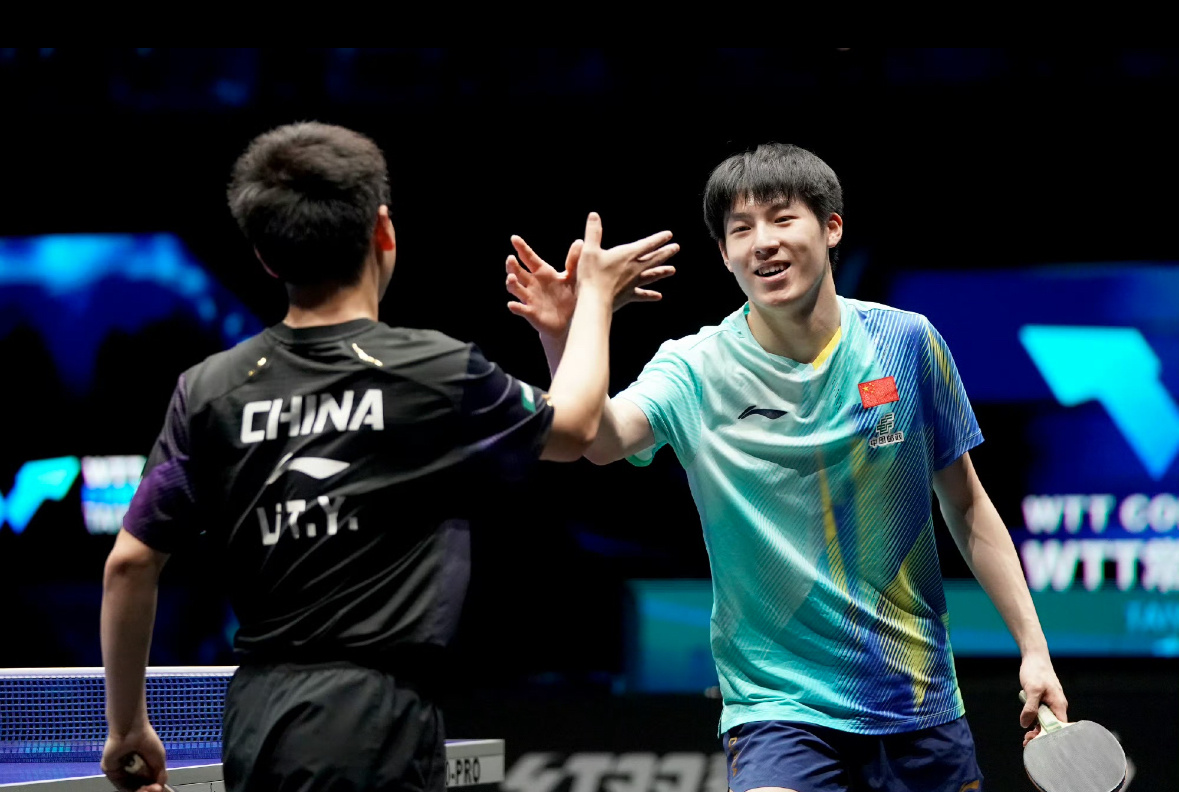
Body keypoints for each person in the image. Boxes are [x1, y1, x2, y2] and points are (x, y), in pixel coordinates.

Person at [99, 121, 679, 792]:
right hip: (375, 718)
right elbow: (575, 428)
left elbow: (130, 563)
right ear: (382, 231)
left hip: (256, 717)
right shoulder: (430, 371)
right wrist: (594, 302)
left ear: (264, 255)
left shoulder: (208, 390)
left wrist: (126, 727)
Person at [503, 141, 1066, 792]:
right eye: (740, 229)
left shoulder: (906, 342)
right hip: (777, 708)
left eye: (781, 218)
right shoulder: (695, 369)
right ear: (724, 254)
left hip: (915, 699)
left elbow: (965, 504)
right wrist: (565, 334)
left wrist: (1034, 649)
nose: (762, 242)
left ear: (832, 227)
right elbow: (593, 439)